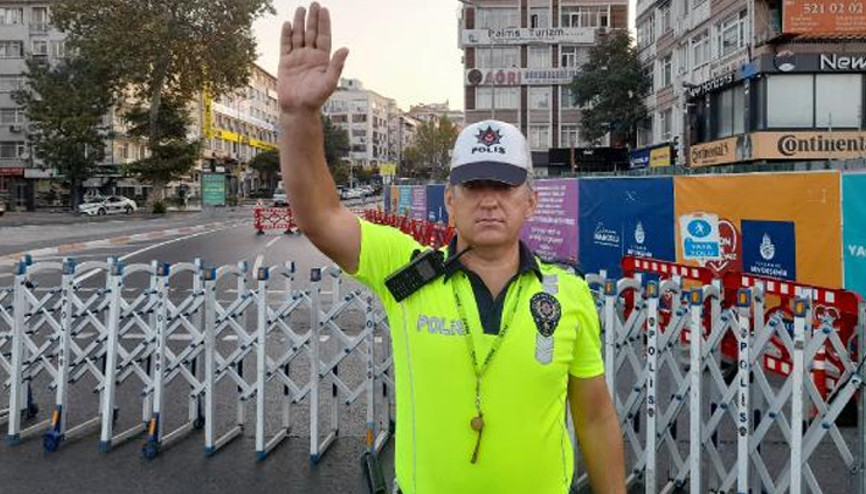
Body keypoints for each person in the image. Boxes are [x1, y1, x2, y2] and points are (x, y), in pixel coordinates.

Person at [277, 4, 626, 493]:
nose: (488, 200)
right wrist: (298, 117)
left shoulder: (568, 295)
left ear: (530, 202)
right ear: (449, 201)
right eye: (473, 186)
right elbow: (320, 216)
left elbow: (594, 417)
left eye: (504, 187)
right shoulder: (406, 270)